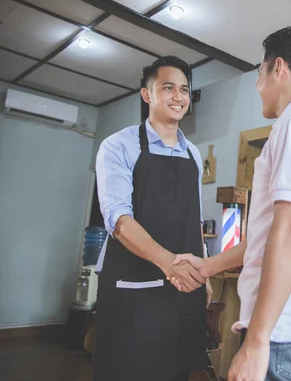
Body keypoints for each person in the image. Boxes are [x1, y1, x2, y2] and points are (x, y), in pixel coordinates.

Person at [171, 26, 291, 381]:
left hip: (283, 333)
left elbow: (289, 235)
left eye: (259, 72)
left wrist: (257, 339)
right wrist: (207, 267)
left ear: (278, 68)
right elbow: (270, 238)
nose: (256, 85)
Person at [93, 56, 211, 381]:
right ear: (148, 95)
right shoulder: (118, 145)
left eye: (184, 89)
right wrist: (170, 263)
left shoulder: (193, 153)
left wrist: (205, 272)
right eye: (168, 87)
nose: (178, 97)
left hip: (182, 288)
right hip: (133, 287)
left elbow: (196, 219)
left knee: (176, 370)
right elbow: (119, 221)